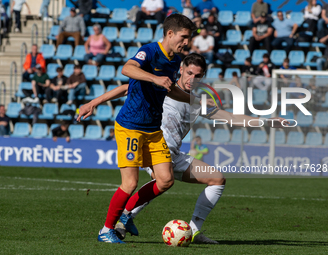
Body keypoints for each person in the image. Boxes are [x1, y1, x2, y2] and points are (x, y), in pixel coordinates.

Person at [106, 53, 287, 244]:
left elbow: (231, 118)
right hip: (153, 147)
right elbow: (127, 88)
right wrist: (93, 103)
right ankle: (123, 219)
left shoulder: (198, 101)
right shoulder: (165, 87)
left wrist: (266, 122)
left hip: (174, 153)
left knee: (217, 179)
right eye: (189, 73)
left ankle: (192, 231)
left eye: (198, 76)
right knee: (162, 178)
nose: (192, 79)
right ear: (181, 70)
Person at [77, 14, 197, 244]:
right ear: (170, 33)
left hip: (152, 129)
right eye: (184, 37)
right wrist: (154, 78)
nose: (186, 43)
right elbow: (127, 69)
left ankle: (126, 214)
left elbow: (168, 89)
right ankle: (105, 230)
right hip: (131, 126)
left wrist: (193, 99)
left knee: (165, 180)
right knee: (130, 183)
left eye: (189, 38)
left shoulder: (174, 62)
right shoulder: (150, 51)